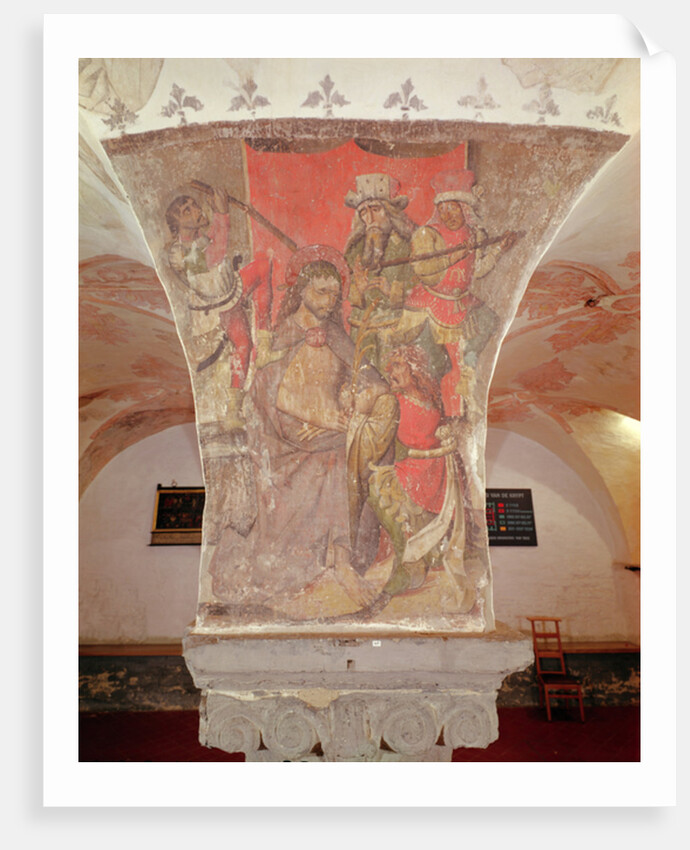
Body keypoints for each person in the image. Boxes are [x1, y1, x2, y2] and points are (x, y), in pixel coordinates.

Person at [208, 245, 396, 611]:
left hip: (327, 428)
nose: (327, 302)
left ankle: (341, 559)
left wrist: (353, 396)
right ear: (302, 291)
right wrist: (315, 418)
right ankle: (339, 562)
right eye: (320, 292)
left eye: (333, 295)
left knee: (346, 448)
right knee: (335, 453)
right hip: (283, 435)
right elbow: (267, 390)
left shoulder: (335, 333)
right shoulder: (282, 335)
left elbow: (364, 376)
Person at [403, 169, 518, 417]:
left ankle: (468, 380)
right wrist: (455, 256)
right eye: (442, 209)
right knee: (430, 363)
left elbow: (475, 272)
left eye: (453, 208)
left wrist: (499, 250)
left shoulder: (473, 235)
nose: (447, 214)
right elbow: (424, 271)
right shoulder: (428, 234)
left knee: (488, 321)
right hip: (429, 305)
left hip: (460, 302)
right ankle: (429, 411)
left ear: (465, 208)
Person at [164, 187, 272, 427]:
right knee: (242, 345)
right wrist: (222, 215)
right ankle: (233, 410)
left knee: (263, 268)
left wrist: (214, 212)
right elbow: (215, 254)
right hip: (215, 308)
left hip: (229, 288)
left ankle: (265, 344)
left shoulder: (196, 238)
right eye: (186, 210)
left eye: (194, 204)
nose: (195, 210)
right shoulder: (178, 253)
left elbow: (209, 239)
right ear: (177, 224)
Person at [367, 344, 466, 598]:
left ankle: (422, 558)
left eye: (398, 366)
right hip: (412, 467)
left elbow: (440, 431)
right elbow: (392, 443)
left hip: (437, 470)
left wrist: (446, 441)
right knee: (381, 490)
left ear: (414, 369)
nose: (392, 372)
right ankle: (407, 562)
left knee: (390, 493)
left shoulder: (431, 399)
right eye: (391, 367)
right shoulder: (393, 403)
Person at [343, 173, 418, 373]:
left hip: (396, 331)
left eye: (376, 209)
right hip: (362, 330)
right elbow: (344, 288)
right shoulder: (355, 249)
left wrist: (393, 291)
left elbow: (422, 288)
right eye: (364, 212)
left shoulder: (408, 245)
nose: (370, 218)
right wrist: (356, 290)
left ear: (390, 212)